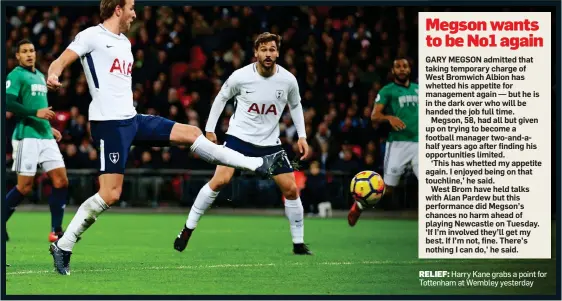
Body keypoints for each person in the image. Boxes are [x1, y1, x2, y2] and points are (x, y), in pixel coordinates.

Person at [46, 0, 284, 275]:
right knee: (110, 193)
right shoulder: (91, 35)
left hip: (132, 119)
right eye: (132, 8)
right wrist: (54, 73)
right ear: (118, 9)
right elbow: (61, 60)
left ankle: (256, 165)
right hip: (108, 124)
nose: (135, 14)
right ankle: (64, 245)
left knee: (191, 133)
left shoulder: (125, 43)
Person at [173, 32, 313, 255]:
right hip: (239, 139)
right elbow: (221, 97)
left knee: (291, 188)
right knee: (220, 180)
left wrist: (302, 136)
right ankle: (188, 229)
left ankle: (298, 243)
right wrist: (209, 129)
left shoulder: (288, 80)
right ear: (256, 52)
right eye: (264, 50)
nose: (268, 54)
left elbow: (295, 106)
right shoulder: (240, 76)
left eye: (272, 50)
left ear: (278, 52)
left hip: (270, 144)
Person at [5, 39, 69, 243]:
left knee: (61, 181)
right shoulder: (15, 75)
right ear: (18, 56)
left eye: (31, 51)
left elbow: (40, 108)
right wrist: (35, 113)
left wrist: (49, 127)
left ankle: (56, 231)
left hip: (45, 136)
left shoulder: (41, 76)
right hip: (27, 137)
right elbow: (7, 102)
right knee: (24, 187)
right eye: (24, 51)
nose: (29, 54)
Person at [347, 57, 419, 226]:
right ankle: (359, 205)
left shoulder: (419, 89)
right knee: (387, 189)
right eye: (398, 67)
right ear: (393, 71)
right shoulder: (388, 91)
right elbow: (374, 116)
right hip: (398, 144)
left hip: (420, 143)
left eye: (405, 66)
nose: (402, 69)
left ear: (410, 69)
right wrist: (389, 117)